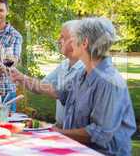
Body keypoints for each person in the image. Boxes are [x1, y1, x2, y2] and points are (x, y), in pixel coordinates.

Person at [10, 17, 136, 155]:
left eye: (73, 38)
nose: (70, 42)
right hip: (77, 150)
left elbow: (99, 134)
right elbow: (59, 92)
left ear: (84, 43)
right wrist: (20, 77)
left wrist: (56, 132)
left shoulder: (109, 82)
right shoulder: (82, 74)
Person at [41, 20, 84, 127]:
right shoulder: (64, 64)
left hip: (75, 132)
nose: (58, 40)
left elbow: (62, 94)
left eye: (62, 37)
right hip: (60, 126)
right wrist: (19, 77)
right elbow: (42, 85)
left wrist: (22, 78)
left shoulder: (85, 69)